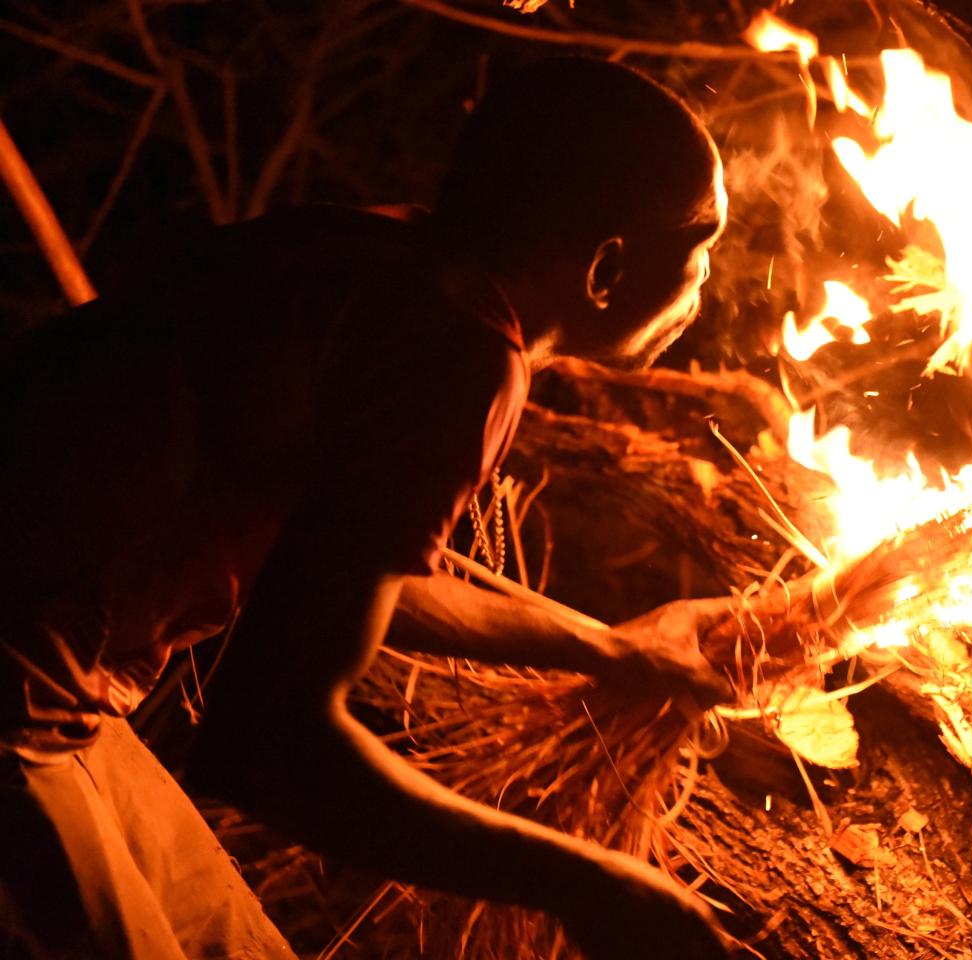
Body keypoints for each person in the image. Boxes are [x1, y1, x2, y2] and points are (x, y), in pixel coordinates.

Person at [0, 58, 733, 959]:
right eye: (701, 249)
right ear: (607, 268)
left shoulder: (376, 259)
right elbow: (268, 741)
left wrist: (604, 645)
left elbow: (341, 565)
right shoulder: (460, 355)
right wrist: (585, 884)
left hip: (56, 688)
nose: (707, 284)